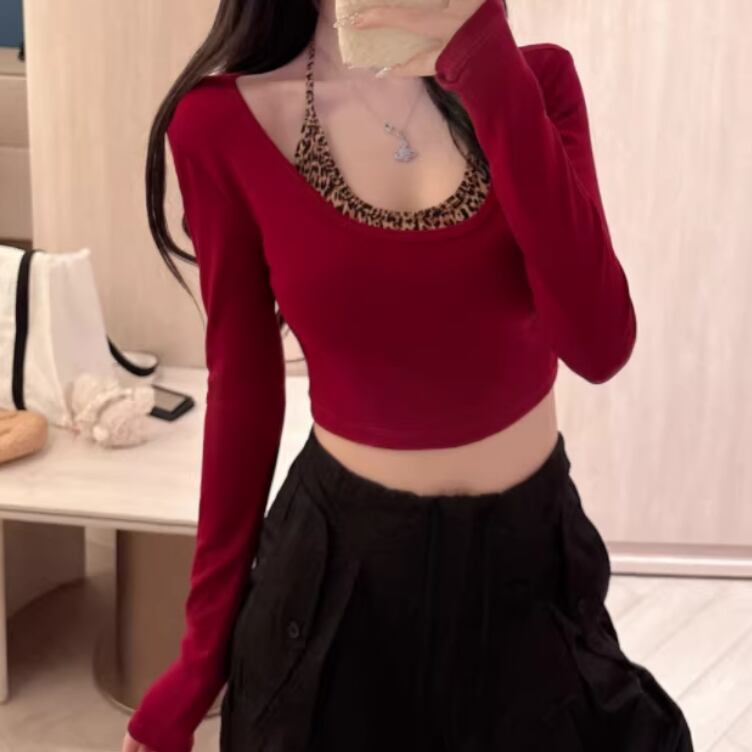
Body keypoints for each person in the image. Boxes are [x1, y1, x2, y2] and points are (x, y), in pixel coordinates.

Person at [123, 0, 694, 750]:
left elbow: (599, 342)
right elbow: (244, 393)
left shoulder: (532, 82)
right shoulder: (222, 124)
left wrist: (485, 61)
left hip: (530, 563)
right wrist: (199, 660)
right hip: (343, 579)